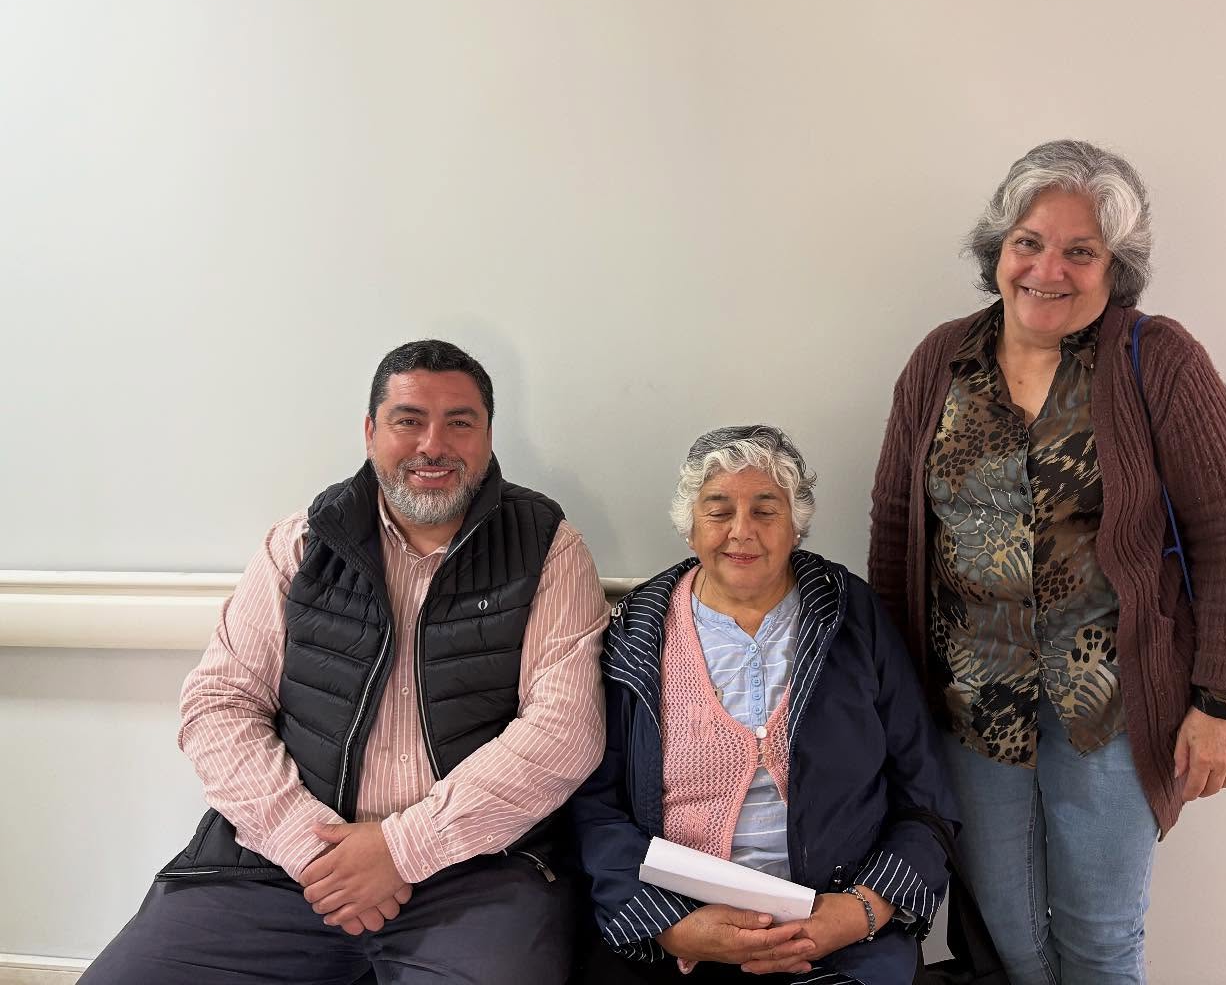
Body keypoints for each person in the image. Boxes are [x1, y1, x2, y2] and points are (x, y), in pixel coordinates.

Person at [868, 141, 1226, 985]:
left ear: (1114, 268)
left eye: (1080, 251)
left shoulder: (1157, 360)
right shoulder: (941, 360)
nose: (1047, 269)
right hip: (971, 707)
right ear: (999, 248)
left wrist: (1221, 702)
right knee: (1007, 940)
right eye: (1029, 242)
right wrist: (893, 698)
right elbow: (899, 528)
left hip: (1114, 708)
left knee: (1099, 941)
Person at [83, 340, 609, 985]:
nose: (433, 444)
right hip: (283, 866)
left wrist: (402, 849)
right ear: (370, 432)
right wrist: (312, 849)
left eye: (460, 422)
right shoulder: (300, 543)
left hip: (477, 868)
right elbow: (219, 704)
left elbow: (564, 731)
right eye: (409, 420)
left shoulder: (548, 547)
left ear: (488, 436)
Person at [572, 425, 958, 985]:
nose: (741, 531)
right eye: (718, 510)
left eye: (765, 510)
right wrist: (670, 926)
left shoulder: (853, 616)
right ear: (689, 525)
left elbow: (925, 795)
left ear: (796, 523)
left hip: (842, 935)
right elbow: (596, 808)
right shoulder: (636, 633)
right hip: (680, 937)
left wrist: (862, 909)